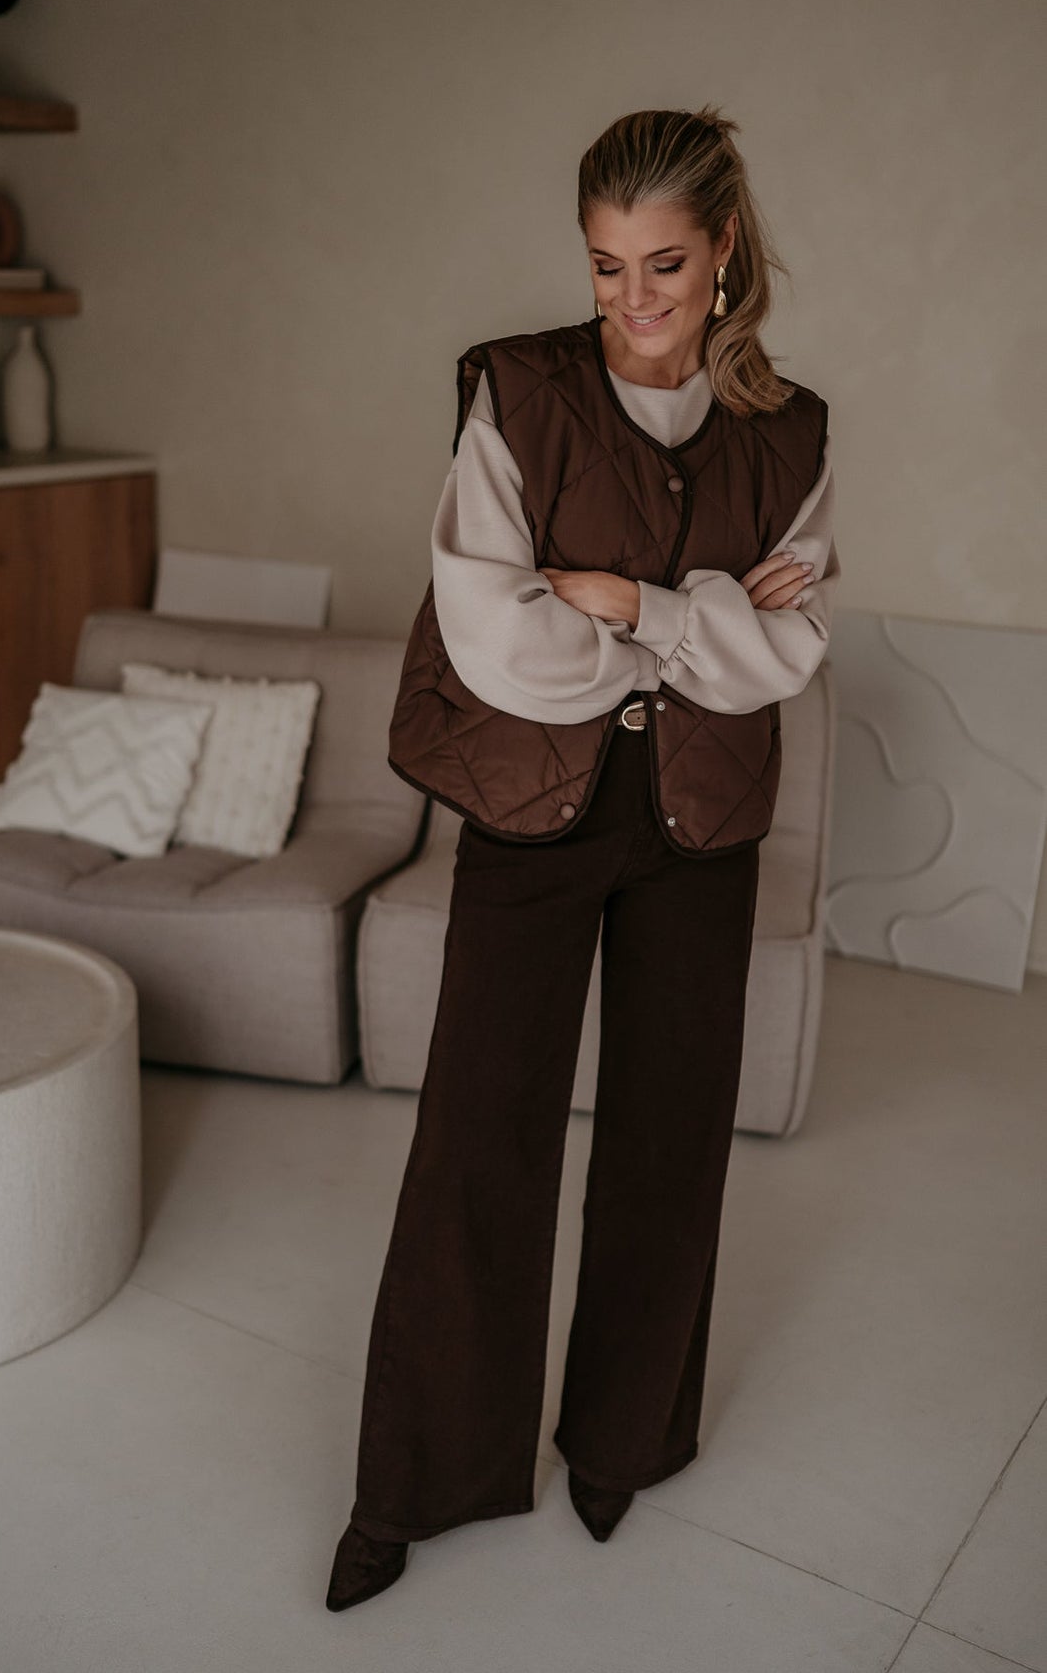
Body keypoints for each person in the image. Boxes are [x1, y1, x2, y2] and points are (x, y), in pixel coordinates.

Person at [326, 106, 840, 1611]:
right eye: (606, 265)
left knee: (671, 1140)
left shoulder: (793, 431)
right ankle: (415, 1484)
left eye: (663, 264)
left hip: (703, 827)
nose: (632, 298)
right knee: (476, 1138)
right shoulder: (516, 390)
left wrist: (623, 600)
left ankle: (623, 1444)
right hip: (531, 814)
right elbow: (497, 639)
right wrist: (703, 620)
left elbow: (790, 651)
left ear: (723, 251)